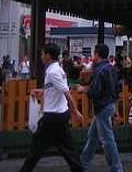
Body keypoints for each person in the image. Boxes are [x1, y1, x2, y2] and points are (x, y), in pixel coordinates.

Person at [20, 43, 84, 172]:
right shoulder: (56, 69)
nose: (41, 56)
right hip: (59, 115)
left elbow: (66, 92)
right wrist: (42, 92)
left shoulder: (53, 72)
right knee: (68, 149)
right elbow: (55, 90)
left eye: (43, 54)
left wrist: (76, 112)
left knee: (36, 149)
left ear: (48, 56)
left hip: (52, 116)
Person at [78, 44, 123, 172]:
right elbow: (116, 89)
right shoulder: (111, 68)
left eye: (94, 53)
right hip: (109, 105)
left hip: (102, 107)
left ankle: (117, 168)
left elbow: (95, 92)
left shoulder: (99, 70)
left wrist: (84, 89)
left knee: (107, 139)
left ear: (96, 54)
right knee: (94, 137)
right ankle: (83, 163)